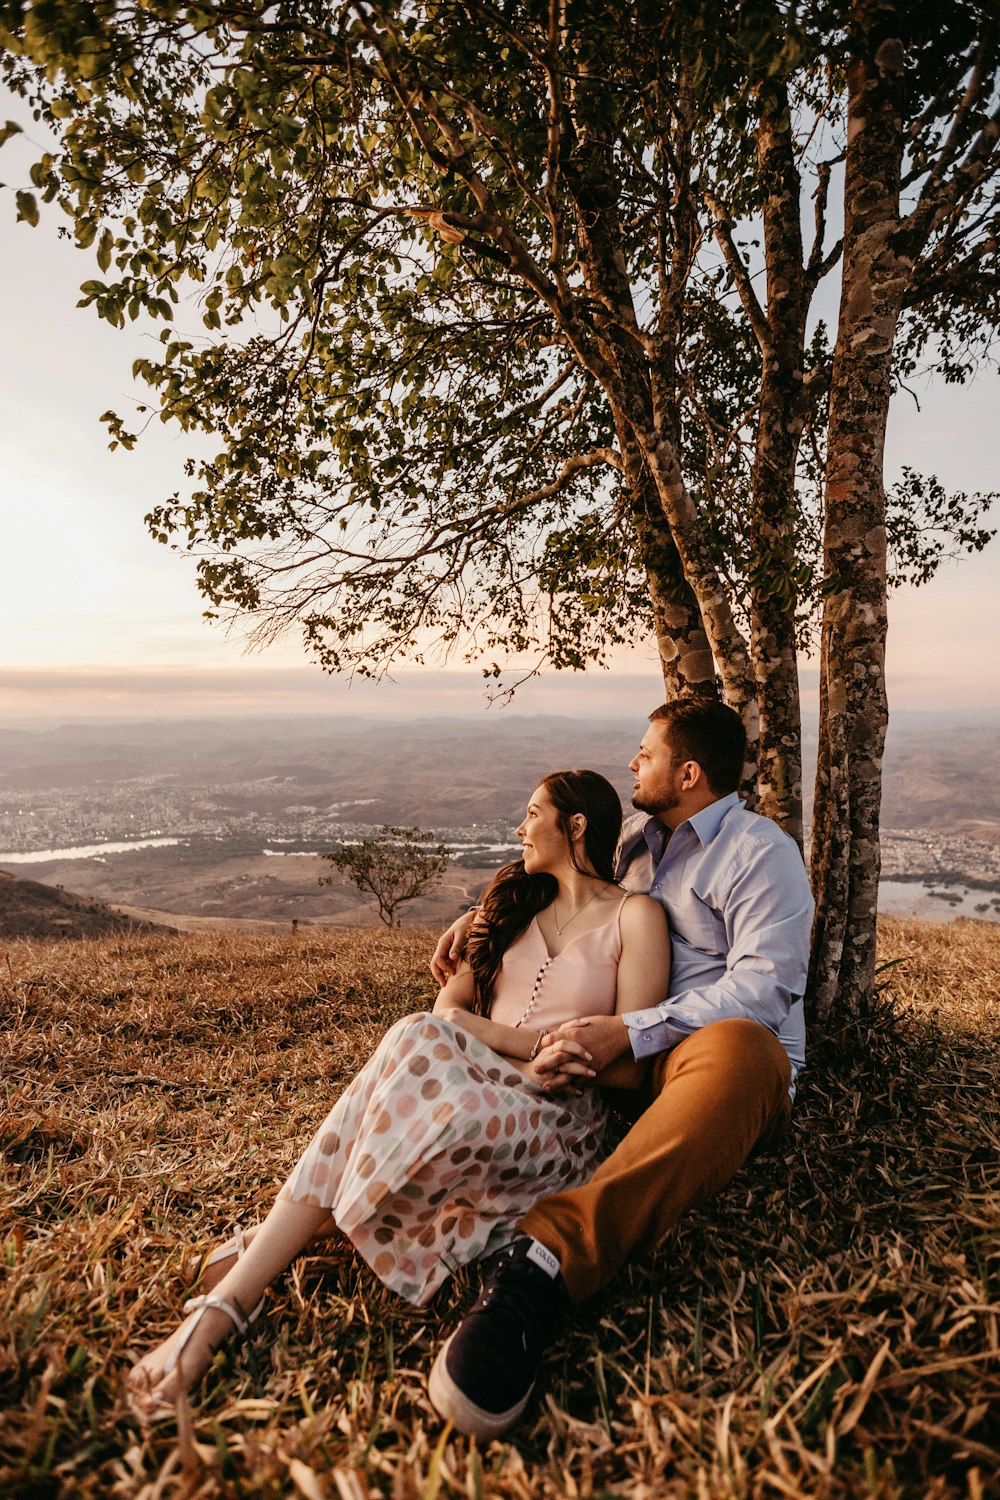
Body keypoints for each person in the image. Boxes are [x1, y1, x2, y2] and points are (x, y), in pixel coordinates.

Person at [127, 769, 670, 1419]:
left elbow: (630, 1066)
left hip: (559, 1116)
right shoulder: (510, 901)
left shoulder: (636, 917)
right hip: (467, 1077)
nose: (518, 828)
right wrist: (480, 1033)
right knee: (416, 1040)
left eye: (531, 814)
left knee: (416, 1077)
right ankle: (222, 1313)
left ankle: (266, 1256)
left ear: (575, 826)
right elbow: (449, 1007)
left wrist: (507, 1046)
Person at [427, 700, 814, 1439]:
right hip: (618, 1055)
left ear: (689, 773)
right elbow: (570, 888)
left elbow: (767, 988)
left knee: (742, 1045)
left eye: (647, 753)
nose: (634, 763)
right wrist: (483, 915)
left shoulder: (762, 854)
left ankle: (544, 1263)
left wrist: (634, 1032)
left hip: (713, 1060)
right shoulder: (640, 841)